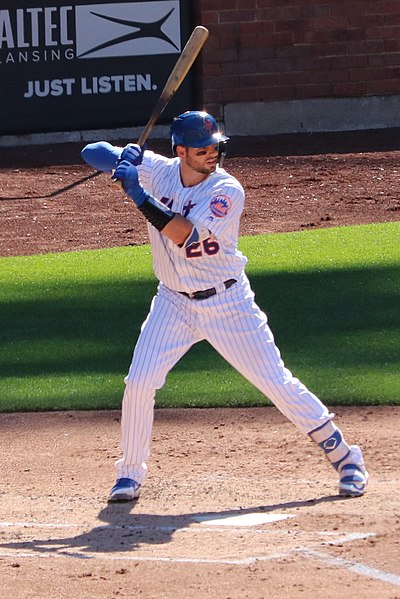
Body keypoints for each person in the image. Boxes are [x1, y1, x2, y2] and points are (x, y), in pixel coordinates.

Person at [81, 110, 369, 502]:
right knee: (139, 382)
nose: (212, 153)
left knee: (276, 383)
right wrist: (126, 156)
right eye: (202, 149)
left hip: (227, 303)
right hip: (173, 303)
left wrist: (137, 193)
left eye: (215, 146)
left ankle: (346, 457)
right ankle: (129, 474)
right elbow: (91, 151)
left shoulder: (226, 191)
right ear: (181, 151)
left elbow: (182, 234)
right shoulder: (162, 170)